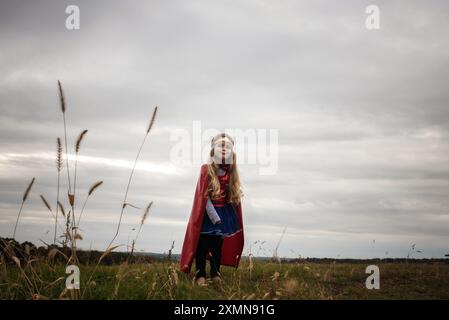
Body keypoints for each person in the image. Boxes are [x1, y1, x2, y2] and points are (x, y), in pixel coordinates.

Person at [180, 133, 244, 286]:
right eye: (221, 145)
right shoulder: (206, 170)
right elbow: (203, 196)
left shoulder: (230, 174)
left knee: (217, 246)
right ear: (212, 150)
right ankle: (200, 274)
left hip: (224, 214)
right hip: (208, 215)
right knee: (202, 246)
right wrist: (213, 216)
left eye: (228, 146)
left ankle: (216, 273)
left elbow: (232, 194)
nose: (224, 149)